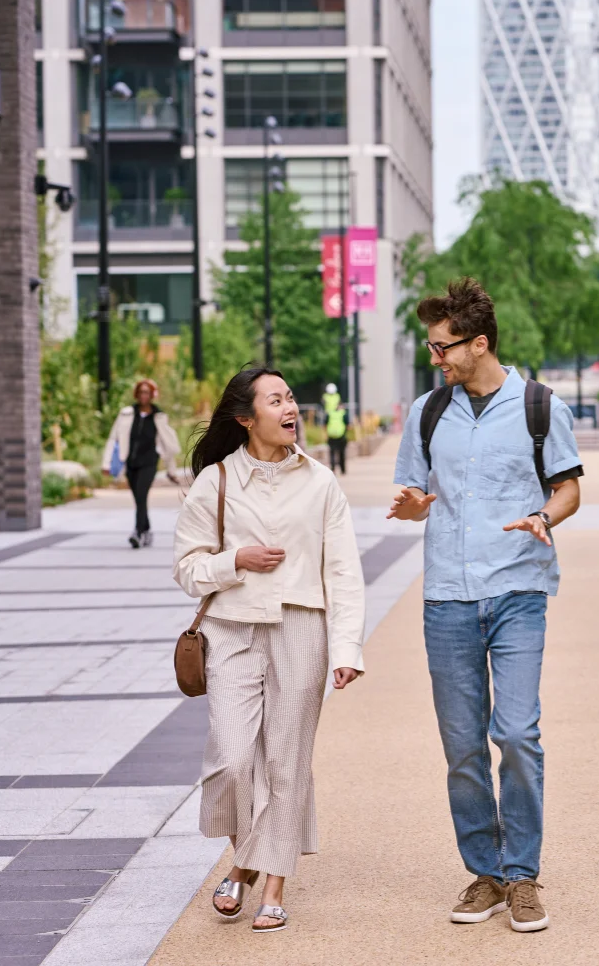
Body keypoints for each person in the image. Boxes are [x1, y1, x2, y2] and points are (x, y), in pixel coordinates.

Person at [389, 278, 582, 933]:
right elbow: (413, 493)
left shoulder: (539, 407)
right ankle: (488, 874)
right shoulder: (427, 412)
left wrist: (543, 516)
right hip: (446, 597)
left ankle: (524, 876)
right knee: (463, 746)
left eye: (443, 348)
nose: (435, 359)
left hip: (518, 592)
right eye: (431, 349)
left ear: (478, 343)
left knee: (517, 733)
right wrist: (414, 507)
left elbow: (568, 488)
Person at [173, 366, 365, 934]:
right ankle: (246, 860)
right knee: (232, 760)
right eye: (275, 400)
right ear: (245, 416)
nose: (290, 409)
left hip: (302, 629)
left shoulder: (322, 482)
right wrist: (237, 561)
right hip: (231, 629)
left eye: (290, 399)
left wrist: (346, 647)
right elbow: (186, 569)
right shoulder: (216, 482)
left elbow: (344, 572)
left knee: (286, 758)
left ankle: (268, 882)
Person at [101, 379, 181, 548]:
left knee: (142, 495)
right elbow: (113, 438)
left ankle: (137, 532)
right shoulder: (127, 414)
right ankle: (147, 530)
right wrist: (106, 463)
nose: (143, 395)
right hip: (130, 463)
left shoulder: (159, 417)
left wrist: (171, 470)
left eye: (147, 392)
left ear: (152, 395)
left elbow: (167, 445)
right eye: (141, 392)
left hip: (149, 462)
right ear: (136, 394)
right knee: (139, 499)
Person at [322, 382, 348, 475]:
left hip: (331, 433)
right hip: (341, 434)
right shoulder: (342, 412)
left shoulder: (325, 397)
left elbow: (324, 424)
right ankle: (343, 469)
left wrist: (325, 432)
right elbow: (347, 424)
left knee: (332, 452)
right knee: (342, 453)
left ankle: (333, 468)